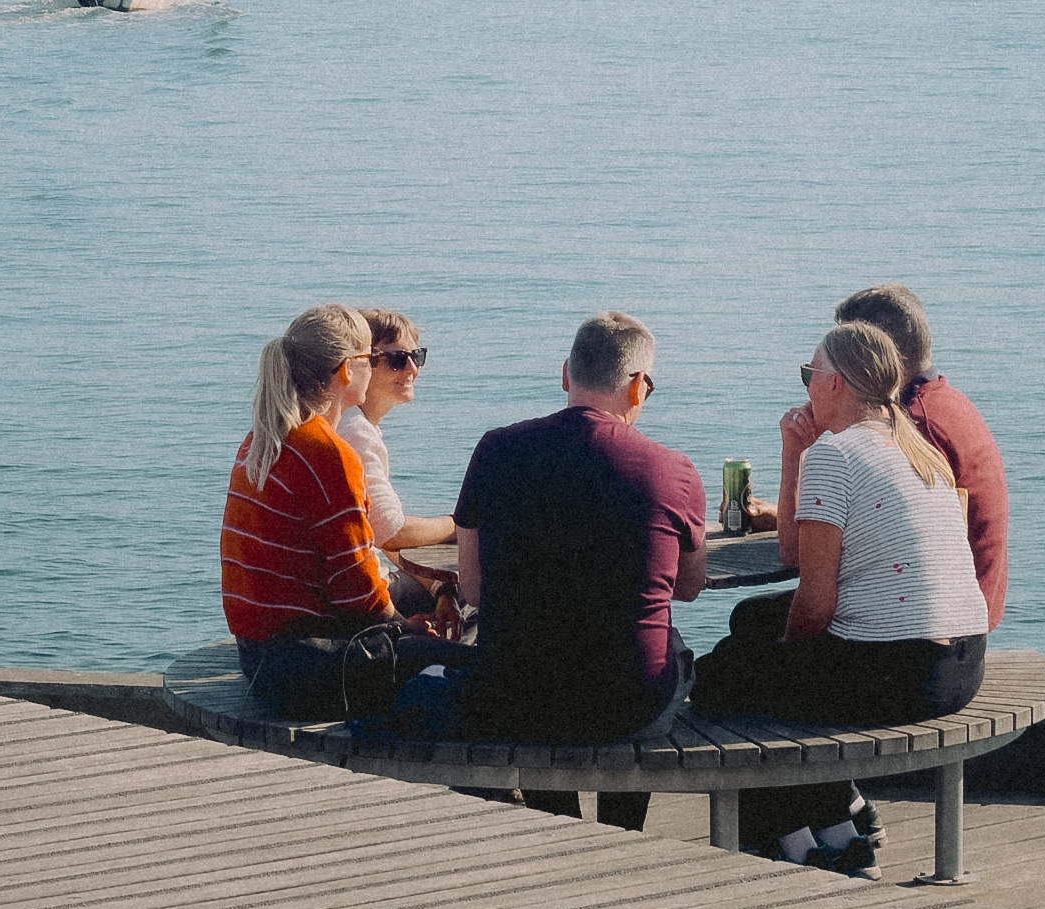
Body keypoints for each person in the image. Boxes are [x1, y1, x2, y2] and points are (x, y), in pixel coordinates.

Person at [689, 322, 989, 877]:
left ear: (835, 386)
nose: (805, 387)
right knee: (749, 623)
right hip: (962, 662)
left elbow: (815, 603)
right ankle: (841, 822)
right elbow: (794, 554)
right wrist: (791, 454)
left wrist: (776, 657)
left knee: (719, 681)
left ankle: (804, 845)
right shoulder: (915, 446)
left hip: (901, 671)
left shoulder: (839, 454)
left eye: (810, 375)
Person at [390, 311, 704, 834]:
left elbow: (475, 590)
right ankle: (621, 835)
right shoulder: (674, 469)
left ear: (565, 374)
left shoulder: (496, 449)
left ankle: (559, 824)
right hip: (627, 702)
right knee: (666, 646)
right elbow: (688, 588)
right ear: (636, 386)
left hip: (514, 698)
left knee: (530, 658)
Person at [220, 304, 461, 718]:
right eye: (369, 358)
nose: (373, 367)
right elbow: (357, 591)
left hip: (259, 658)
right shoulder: (327, 454)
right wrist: (406, 630)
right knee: (466, 662)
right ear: (348, 370)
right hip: (309, 668)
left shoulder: (263, 438)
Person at [834, 282, 1008, 630]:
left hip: (937, 622)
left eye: (845, 352)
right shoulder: (945, 401)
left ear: (876, 356)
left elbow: (858, 537)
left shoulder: (915, 426)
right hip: (966, 609)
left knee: (759, 629)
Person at [337, 310, 455, 619]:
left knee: (451, 592)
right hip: (352, 601)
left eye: (417, 356)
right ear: (361, 364)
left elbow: (376, 529)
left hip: (346, 590)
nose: (413, 368)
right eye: (398, 360)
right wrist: (459, 525)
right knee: (475, 593)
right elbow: (392, 531)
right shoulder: (353, 431)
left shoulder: (355, 423)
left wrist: (439, 588)